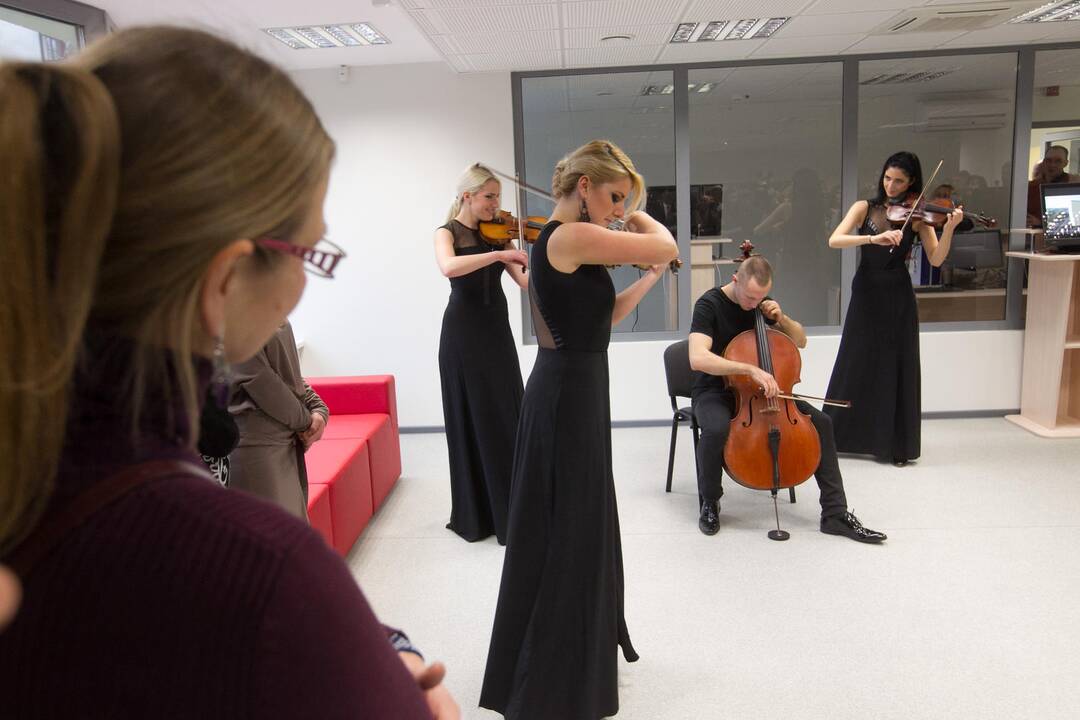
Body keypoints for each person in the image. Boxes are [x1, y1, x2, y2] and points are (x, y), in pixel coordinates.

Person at [0, 27, 457, 718]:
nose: (306, 282)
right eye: (310, 252)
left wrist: (365, 647)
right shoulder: (256, 570)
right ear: (227, 276)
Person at [480, 140, 678, 720]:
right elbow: (663, 240)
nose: (619, 209)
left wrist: (648, 282)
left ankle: (573, 650)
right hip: (567, 393)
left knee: (577, 521)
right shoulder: (566, 237)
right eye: (613, 195)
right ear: (585, 186)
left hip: (576, 386)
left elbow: (603, 316)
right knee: (568, 525)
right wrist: (635, 212)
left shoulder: (568, 244)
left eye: (624, 200)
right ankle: (554, 667)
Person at [688, 256, 887, 542]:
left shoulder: (763, 305)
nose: (755, 303)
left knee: (822, 422)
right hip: (715, 390)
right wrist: (747, 369)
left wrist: (781, 319)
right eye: (750, 296)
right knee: (716, 428)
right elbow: (697, 358)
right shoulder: (709, 305)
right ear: (735, 280)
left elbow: (801, 340)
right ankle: (710, 501)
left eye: (761, 296)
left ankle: (835, 513)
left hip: (767, 393)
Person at [824, 151, 963, 466]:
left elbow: (937, 258)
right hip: (866, 291)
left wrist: (950, 229)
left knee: (895, 364)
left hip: (898, 294)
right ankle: (839, 436)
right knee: (854, 359)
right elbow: (835, 240)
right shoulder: (864, 208)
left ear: (911, 181)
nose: (891, 184)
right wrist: (873, 241)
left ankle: (894, 444)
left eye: (899, 180)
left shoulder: (917, 215)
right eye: (888, 177)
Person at [435, 163, 527, 544]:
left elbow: (525, 284)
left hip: (496, 335)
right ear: (467, 196)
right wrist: (496, 257)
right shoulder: (446, 233)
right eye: (490, 197)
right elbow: (448, 267)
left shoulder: (500, 234)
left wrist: (535, 257)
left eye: (498, 197)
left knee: (508, 416)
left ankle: (514, 511)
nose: (495, 204)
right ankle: (479, 514)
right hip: (462, 338)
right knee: (472, 419)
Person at [229, 319, 327, 520]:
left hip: (284, 441)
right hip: (257, 448)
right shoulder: (234, 316)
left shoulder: (271, 307)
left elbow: (289, 374)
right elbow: (261, 381)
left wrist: (318, 409)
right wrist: (306, 423)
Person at [1027, 146, 1080, 227]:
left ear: (1065, 163)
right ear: (1044, 162)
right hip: (1033, 237)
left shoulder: (1073, 184)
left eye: (1058, 161)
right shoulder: (1031, 187)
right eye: (1049, 160)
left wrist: (1041, 223)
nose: (1052, 165)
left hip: (1065, 236)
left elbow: (1076, 219)